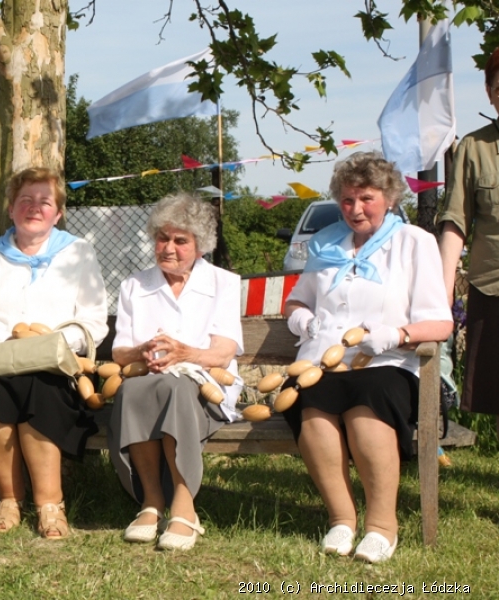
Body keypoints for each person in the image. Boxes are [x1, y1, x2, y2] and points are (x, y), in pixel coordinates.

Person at [283, 152, 452, 563]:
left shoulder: (414, 243)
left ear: (389, 198)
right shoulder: (326, 243)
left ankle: (381, 526)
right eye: (347, 199)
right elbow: (296, 302)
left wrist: (398, 334)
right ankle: (342, 519)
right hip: (323, 364)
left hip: (389, 363)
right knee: (311, 403)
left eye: (366, 198)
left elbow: (440, 323)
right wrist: (302, 319)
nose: (355, 209)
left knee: (367, 403)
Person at [0, 167, 108, 539]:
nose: (34, 207)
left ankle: (49, 504)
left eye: (45, 201)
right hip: (1, 359)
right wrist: (8, 338)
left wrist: (52, 343)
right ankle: (9, 499)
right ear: (11, 209)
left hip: (58, 367)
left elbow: (94, 319)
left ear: (58, 213)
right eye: (25, 200)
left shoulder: (78, 252)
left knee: (42, 389)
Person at [106, 193, 243, 551]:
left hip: (205, 387)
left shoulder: (224, 282)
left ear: (201, 246)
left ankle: (184, 503)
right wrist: (142, 350)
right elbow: (120, 352)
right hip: (148, 385)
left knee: (176, 386)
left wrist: (185, 354)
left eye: (180, 241)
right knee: (132, 390)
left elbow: (224, 353)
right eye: (162, 238)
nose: (168, 248)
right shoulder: (134, 285)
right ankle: (151, 501)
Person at [438, 46, 499, 438]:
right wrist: (442, 294)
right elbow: (455, 221)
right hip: (492, 289)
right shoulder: (473, 149)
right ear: (490, 93)